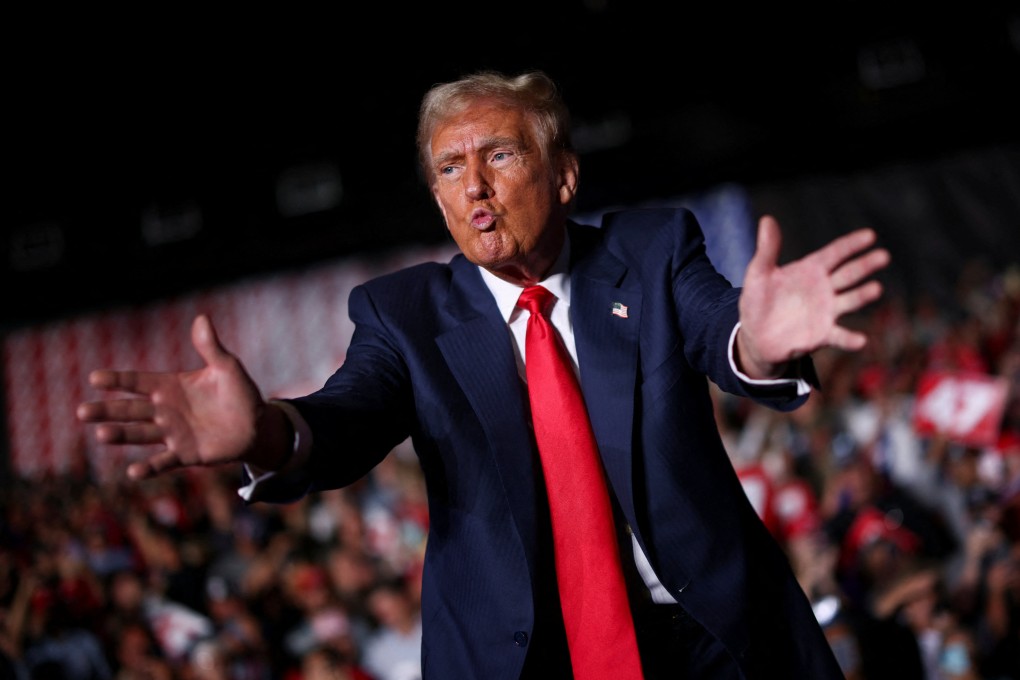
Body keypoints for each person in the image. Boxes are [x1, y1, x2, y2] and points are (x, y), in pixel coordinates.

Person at [77, 69, 890, 679]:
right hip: (524, 659)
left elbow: (725, 337)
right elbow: (346, 417)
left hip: (712, 635)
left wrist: (761, 343)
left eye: (498, 155)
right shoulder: (405, 314)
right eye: (450, 168)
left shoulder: (651, 252)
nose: (474, 186)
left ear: (563, 174)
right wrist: (265, 431)